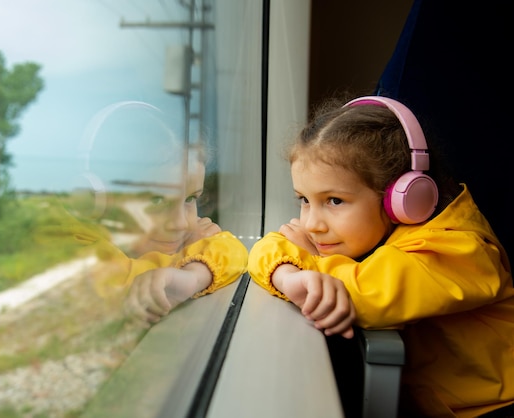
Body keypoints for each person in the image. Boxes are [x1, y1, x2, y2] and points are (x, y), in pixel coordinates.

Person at [247, 95, 514, 417]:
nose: (311, 225)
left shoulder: (460, 252)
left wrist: (305, 262)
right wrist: (289, 275)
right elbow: (268, 245)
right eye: (304, 199)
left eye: (334, 201)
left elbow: (363, 293)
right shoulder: (364, 237)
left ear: (405, 199)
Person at [62, 101, 248, 325]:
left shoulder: (163, 240)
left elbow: (232, 250)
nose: (182, 223)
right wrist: (188, 262)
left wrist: (191, 276)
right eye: (157, 200)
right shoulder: (77, 250)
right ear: (96, 199)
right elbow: (126, 282)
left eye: (190, 199)